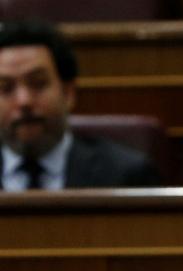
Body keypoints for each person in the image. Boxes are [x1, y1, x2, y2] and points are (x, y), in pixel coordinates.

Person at [0, 19, 161, 191]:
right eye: (6, 88)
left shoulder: (125, 175)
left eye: (38, 83)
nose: (24, 101)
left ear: (68, 93)